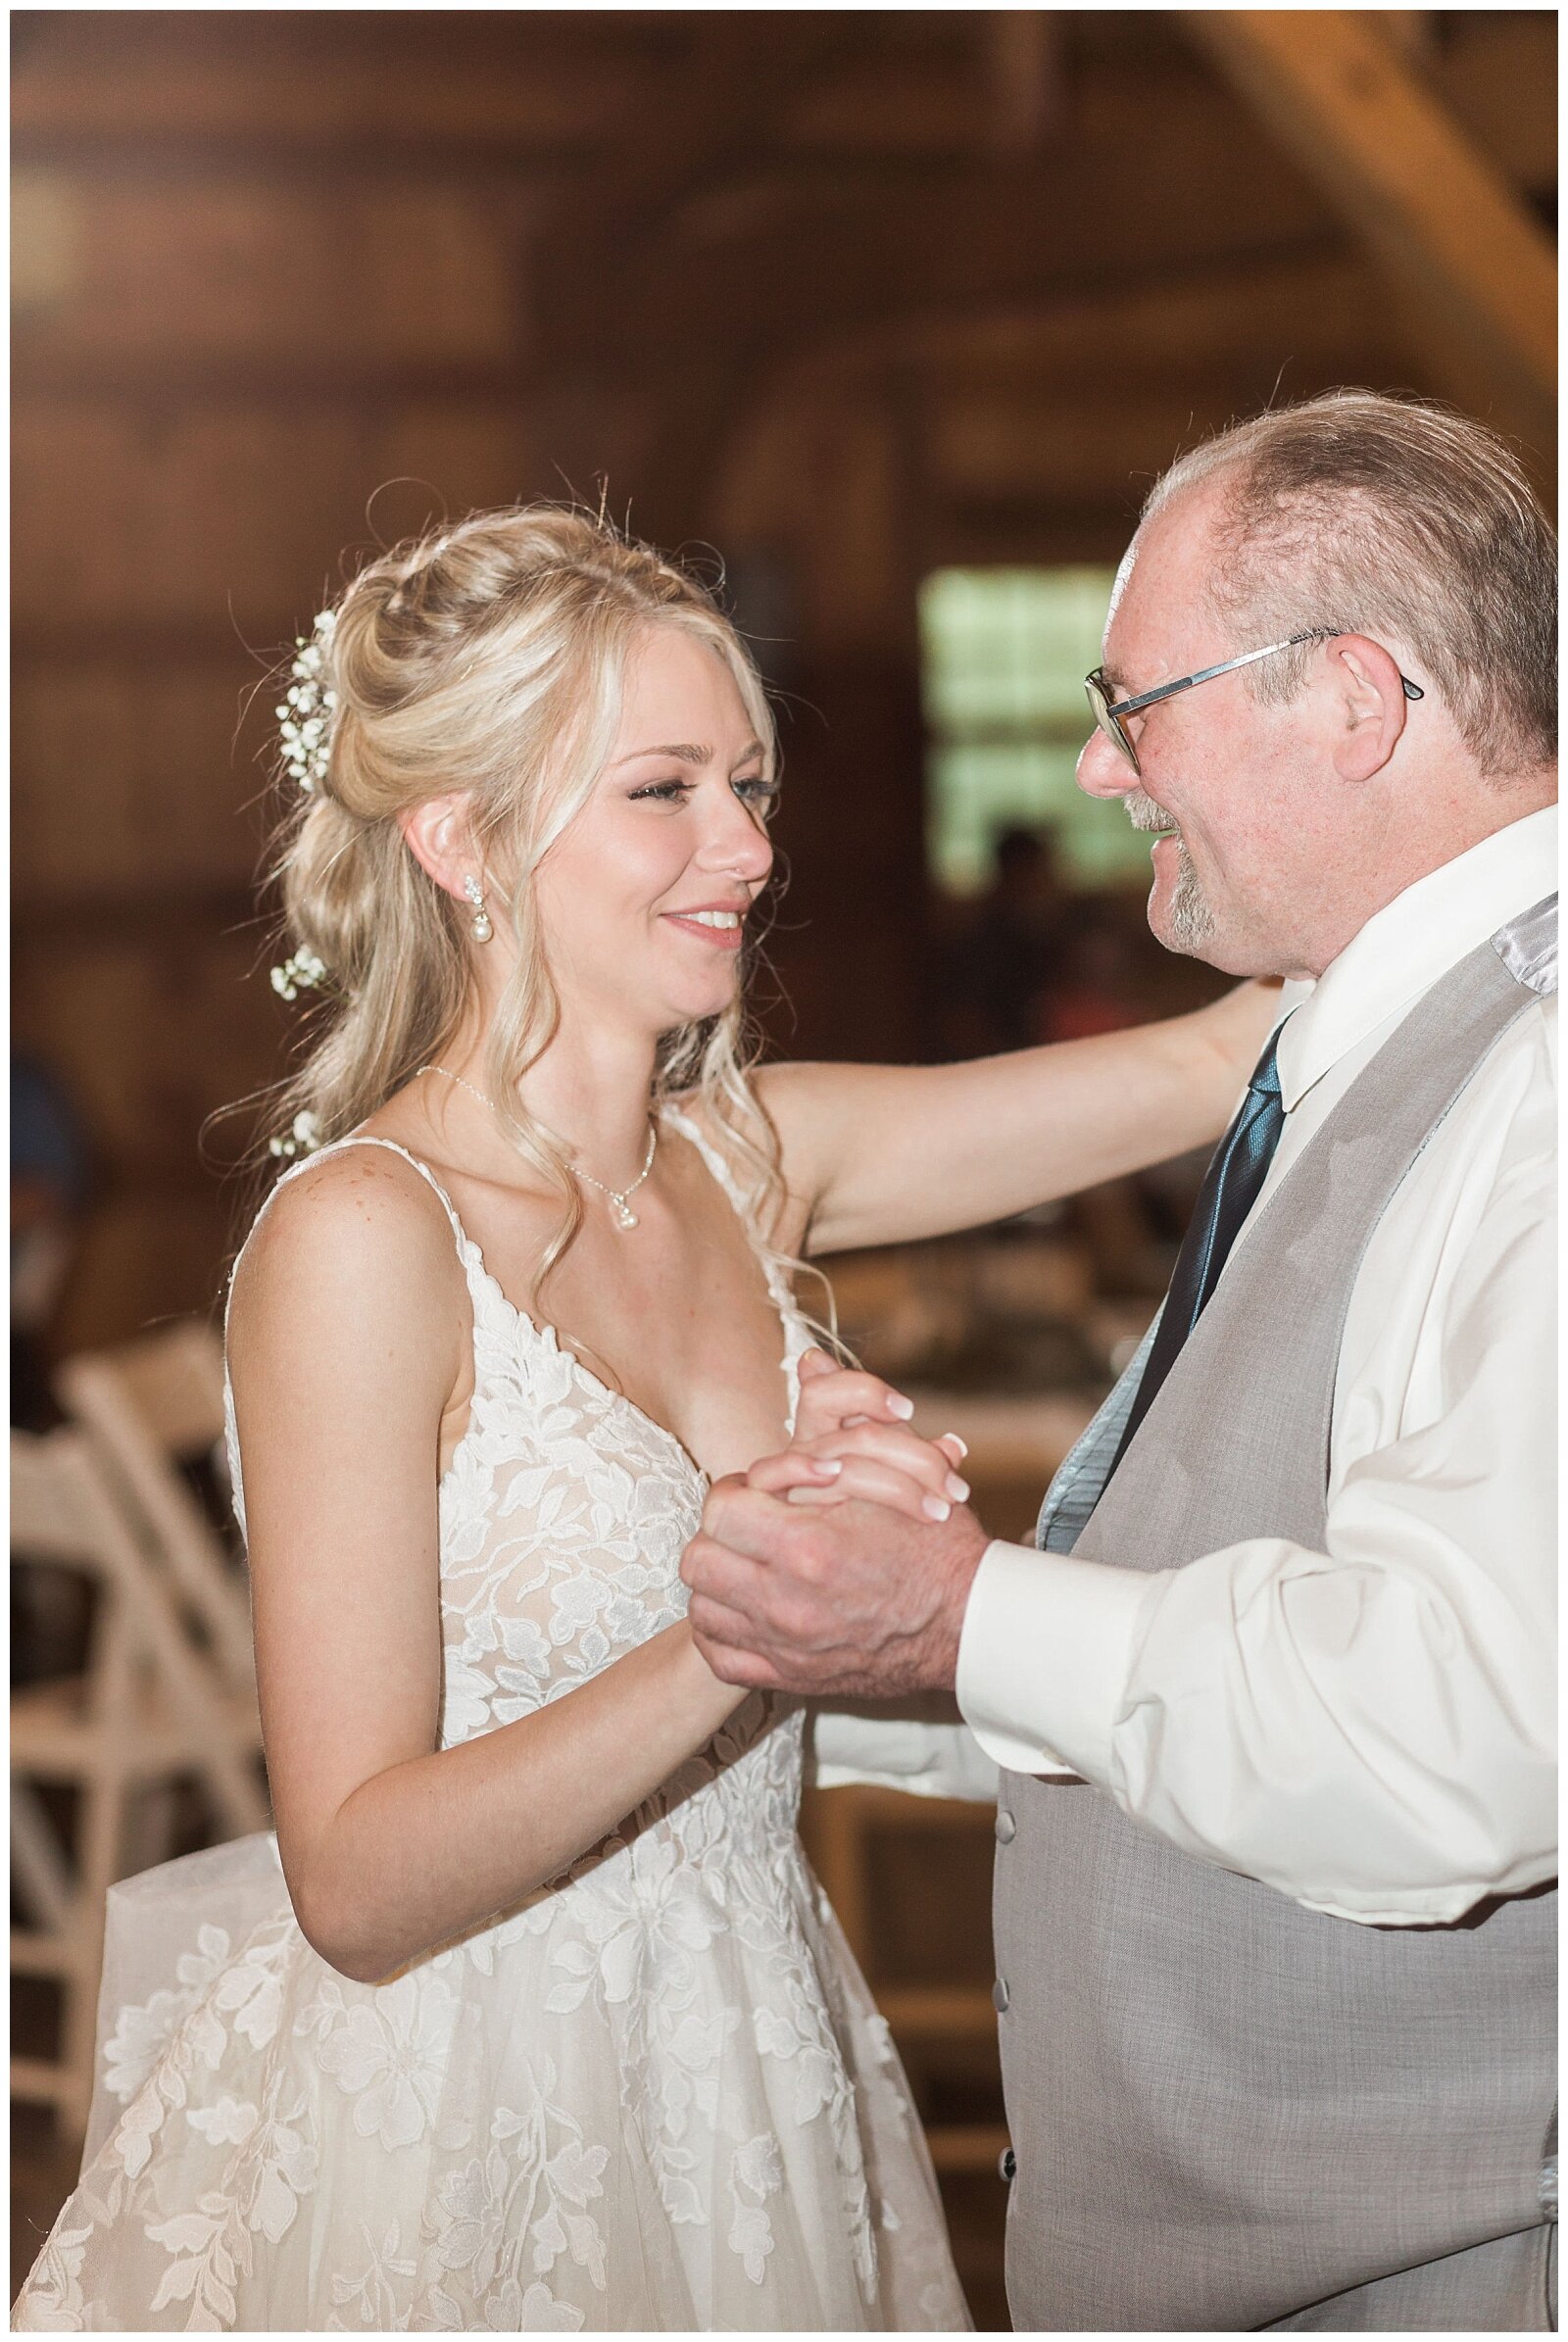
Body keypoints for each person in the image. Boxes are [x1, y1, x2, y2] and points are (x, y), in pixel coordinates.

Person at [15, 507, 1277, 2331]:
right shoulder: (366, 1239)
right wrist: (754, 1612)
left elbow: (1207, 1064)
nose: (748, 849)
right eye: (664, 791)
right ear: (460, 837)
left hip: (751, 2052)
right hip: (468, 2115)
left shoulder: (743, 1159)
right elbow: (357, 1879)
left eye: (749, 786)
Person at [682, 392, 1558, 2331]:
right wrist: (874, 1650)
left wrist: (958, 1612)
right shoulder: (1353, 1038)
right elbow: (1247, 1598)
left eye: (1133, 699)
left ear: (1349, 696)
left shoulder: (1539, 1085)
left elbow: (1455, 1731)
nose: (1093, 767)